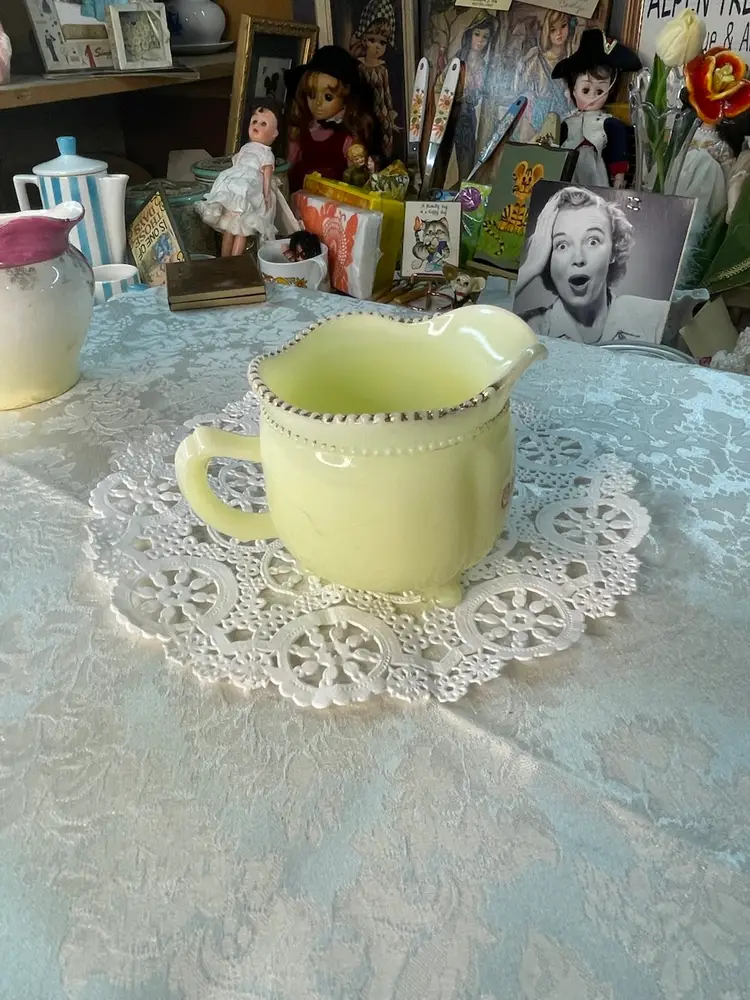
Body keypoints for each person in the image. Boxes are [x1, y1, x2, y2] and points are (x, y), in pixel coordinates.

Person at [515, 186, 668, 344]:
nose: (578, 258)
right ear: (547, 258)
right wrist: (530, 266)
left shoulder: (656, 317)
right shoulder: (529, 328)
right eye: (562, 245)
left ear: (613, 250)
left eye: (593, 241)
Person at [552, 29, 641, 188]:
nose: (593, 96)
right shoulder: (566, 123)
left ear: (609, 91)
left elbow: (618, 148)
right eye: (585, 90)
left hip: (595, 171)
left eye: (599, 91)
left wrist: (619, 177)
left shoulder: (608, 123)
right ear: (573, 90)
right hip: (568, 170)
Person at [285, 46, 380, 192]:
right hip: (298, 196)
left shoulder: (347, 139)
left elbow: (356, 178)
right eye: (312, 95)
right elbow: (288, 166)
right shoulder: (301, 131)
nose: (318, 103)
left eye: (328, 97)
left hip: (333, 200)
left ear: (346, 98)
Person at [197, 106, 279, 257]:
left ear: (274, 133)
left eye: (263, 124)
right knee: (229, 228)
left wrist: (266, 194)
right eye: (254, 121)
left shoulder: (266, 152)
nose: (256, 126)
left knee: (242, 229)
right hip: (235, 184)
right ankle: (224, 260)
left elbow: (267, 174)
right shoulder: (245, 148)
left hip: (250, 188)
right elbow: (236, 163)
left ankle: (235, 261)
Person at [514, 11, 576, 138]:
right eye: (553, 30)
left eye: (563, 26)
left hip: (563, 116)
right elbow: (520, 86)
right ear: (547, 32)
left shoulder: (572, 59)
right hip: (539, 114)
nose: (559, 33)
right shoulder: (537, 58)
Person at [350, 0, 397, 160]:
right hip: (364, 112)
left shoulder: (382, 69)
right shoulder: (359, 67)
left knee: (385, 146)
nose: (377, 47)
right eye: (372, 40)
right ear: (364, 40)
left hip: (382, 113)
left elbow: (386, 94)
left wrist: (390, 115)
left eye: (382, 42)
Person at [452, 16, 498, 178]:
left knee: (467, 153)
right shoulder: (458, 59)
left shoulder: (483, 65)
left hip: (468, 113)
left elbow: (479, 93)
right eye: (477, 34)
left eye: (485, 37)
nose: (480, 41)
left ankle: (464, 183)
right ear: (469, 35)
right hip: (452, 111)